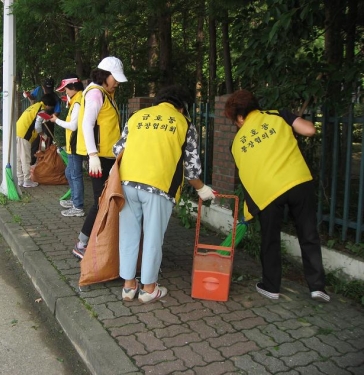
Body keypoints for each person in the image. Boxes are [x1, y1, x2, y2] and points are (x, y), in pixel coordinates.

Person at [224, 89, 329, 303]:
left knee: (270, 239)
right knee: (308, 235)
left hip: (267, 192)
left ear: (240, 117)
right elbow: (309, 130)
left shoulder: (237, 143)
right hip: (298, 181)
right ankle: (318, 288)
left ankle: (271, 287)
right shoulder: (277, 115)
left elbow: (247, 178)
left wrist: (249, 211)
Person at [113, 85, 216, 303]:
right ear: (183, 106)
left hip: (128, 182)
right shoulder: (184, 124)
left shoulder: (137, 117)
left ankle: (128, 287)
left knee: (128, 234)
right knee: (152, 237)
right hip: (159, 186)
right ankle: (149, 289)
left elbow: (117, 150)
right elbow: (191, 169)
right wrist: (202, 189)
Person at [72, 56, 127, 259]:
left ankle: (100, 240)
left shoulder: (105, 93)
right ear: (105, 75)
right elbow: (87, 124)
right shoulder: (96, 94)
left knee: (106, 200)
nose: (118, 82)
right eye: (115, 78)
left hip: (108, 157)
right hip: (100, 158)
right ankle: (82, 244)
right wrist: (93, 155)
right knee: (100, 202)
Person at [49, 74, 85, 217]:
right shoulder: (75, 101)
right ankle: (75, 200)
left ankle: (78, 206)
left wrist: (56, 120)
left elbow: (73, 125)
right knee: (69, 173)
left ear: (74, 87)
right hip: (72, 144)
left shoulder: (78, 102)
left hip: (75, 144)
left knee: (75, 175)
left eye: (66, 90)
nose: (65, 93)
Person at [16, 93, 57, 188]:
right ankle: (27, 180)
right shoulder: (41, 110)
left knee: (18, 158)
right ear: (48, 105)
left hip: (17, 132)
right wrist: (42, 134)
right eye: (51, 107)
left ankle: (20, 179)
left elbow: (36, 119)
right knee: (25, 158)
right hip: (24, 135)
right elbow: (37, 125)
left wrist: (47, 119)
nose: (51, 109)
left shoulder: (35, 106)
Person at [25, 78, 62, 165]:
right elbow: (32, 97)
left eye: (49, 89)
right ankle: (32, 159)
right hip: (37, 117)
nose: (47, 91)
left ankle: (46, 160)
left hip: (49, 120)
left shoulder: (55, 98)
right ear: (43, 86)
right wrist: (28, 95)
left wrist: (51, 117)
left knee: (47, 139)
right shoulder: (38, 90)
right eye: (46, 88)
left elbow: (57, 111)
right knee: (35, 139)